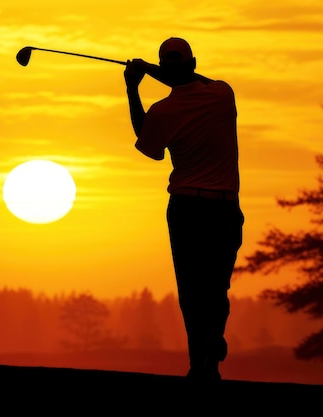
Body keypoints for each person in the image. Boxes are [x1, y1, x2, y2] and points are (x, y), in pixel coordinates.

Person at [124, 37, 244, 382]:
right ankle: (210, 356)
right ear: (193, 63)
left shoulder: (162, 111)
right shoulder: (223, 94)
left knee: (192, 288)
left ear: (164, 68)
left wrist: (134, 88)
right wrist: (157, 71)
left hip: (187, 206)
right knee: (216, 286)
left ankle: (201, 362)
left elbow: (148, 145)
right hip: (224, 207)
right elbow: (194, 80)